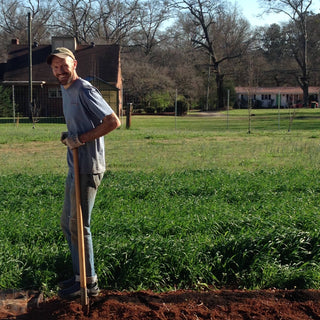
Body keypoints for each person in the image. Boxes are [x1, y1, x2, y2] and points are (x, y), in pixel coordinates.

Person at [47, 47, 121, 300]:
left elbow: (113, 121)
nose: (59, 70)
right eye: (55, 67)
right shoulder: (66, 90)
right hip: (74, 164)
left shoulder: (85, 89)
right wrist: (70, 137)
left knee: (80, 225)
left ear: (74, 64)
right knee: (67, 224)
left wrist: (80, 139)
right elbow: (79, 127)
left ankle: (90, 284)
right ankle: (80, 277)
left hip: (88, 167)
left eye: (63, 65)